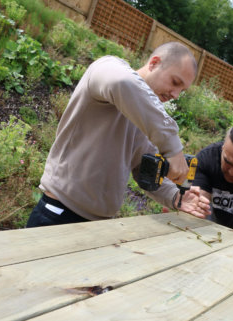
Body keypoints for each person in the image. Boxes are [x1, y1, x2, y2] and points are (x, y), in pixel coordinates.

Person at [26, 42, 210, 227]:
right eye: (175, 82)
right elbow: (122, 83)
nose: (176, 94)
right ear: (154, 63)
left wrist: (176, 196)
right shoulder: (107, 68)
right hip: (59, 215)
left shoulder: (145, 117)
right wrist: (173, 148)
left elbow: (144, 166)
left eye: (182, 90)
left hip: (99, 225)